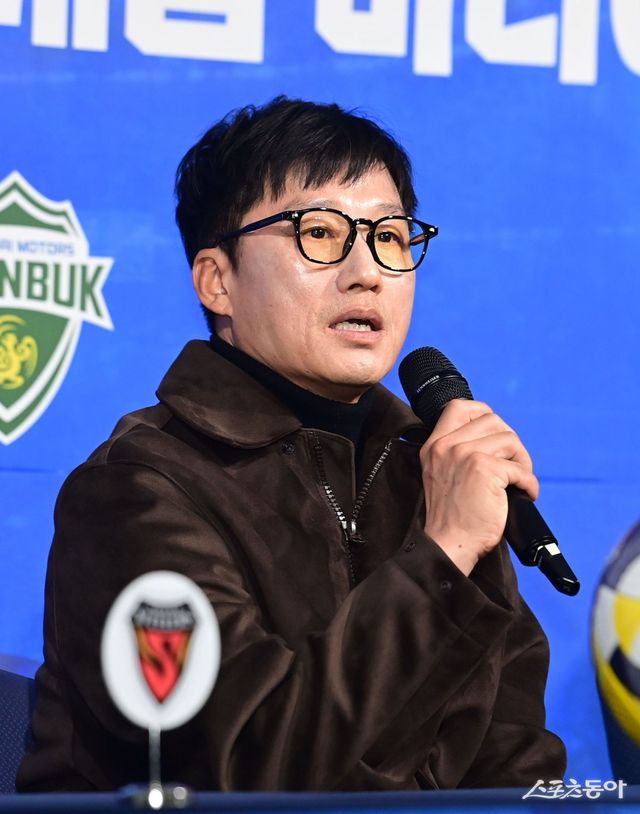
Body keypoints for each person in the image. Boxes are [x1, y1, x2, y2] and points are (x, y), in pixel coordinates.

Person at [18, 97, 566, 791]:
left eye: (390, 236)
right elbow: (251, 768)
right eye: (320, 232)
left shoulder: (434, 471)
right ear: (217, 281)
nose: (367, 271)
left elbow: (518, 770)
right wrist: (444, 554)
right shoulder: (135, 491)